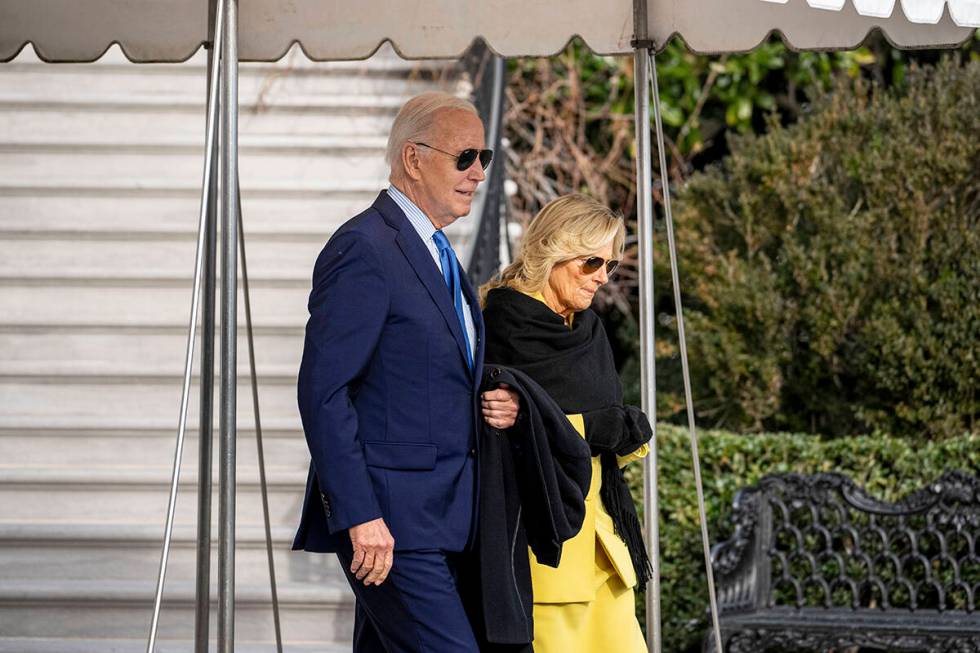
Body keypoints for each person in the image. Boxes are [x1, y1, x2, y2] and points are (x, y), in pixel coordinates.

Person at [293, 91, 519, 653]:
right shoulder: (364, 248)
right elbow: (324, 391)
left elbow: (433, 369)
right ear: (413, 159)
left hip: (448, 518)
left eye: (484, 160)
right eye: (464, 157)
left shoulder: (439, 253)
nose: (477, 173)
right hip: (390, 526)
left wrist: (500, 398)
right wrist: (360, 513)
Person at [480, 194, 653, 653]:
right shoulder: (505, 324)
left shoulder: (587, 329)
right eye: (591, 261)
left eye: (610, 265)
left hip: (604, 543)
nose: (602, 275)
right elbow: (512, 431)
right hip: (550, 551)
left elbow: (626, 428)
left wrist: (567, 422)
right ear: (552, 251)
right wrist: (587, 425)